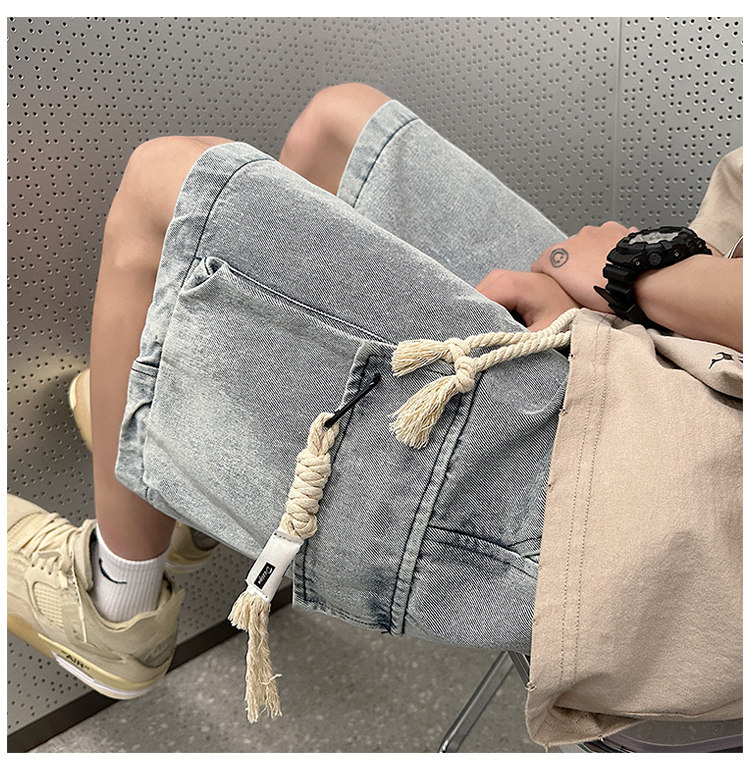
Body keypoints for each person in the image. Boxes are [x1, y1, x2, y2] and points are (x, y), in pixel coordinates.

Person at [7, 83, 741, 741]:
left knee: (164, 184)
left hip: (684, 500)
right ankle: (192, 466)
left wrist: (639, 272)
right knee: (340, 127)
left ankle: (116, 606)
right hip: (694, 350)